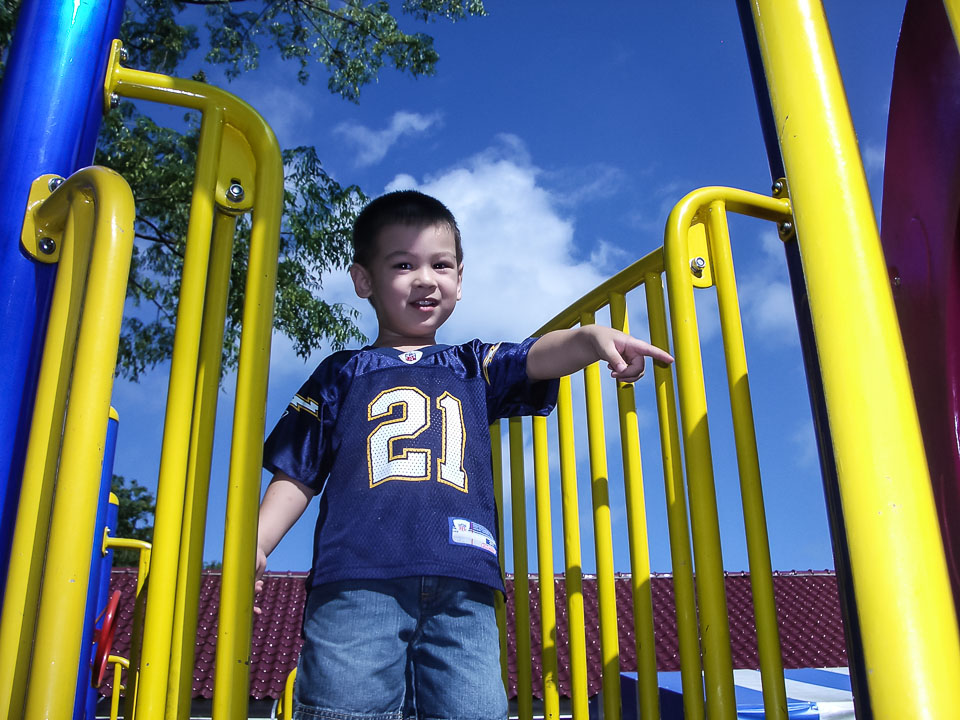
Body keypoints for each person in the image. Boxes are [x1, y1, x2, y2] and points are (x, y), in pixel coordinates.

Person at [256, 190, 673, 720]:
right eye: (403, 265)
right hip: (358, 576)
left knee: (473, 707)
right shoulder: (341, 373)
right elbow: (297, 471)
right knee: (347, 705)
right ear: (364, 280)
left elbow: (535, 356)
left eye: (441, 265)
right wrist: (259, 542)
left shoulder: (472, 364)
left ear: (460, 279)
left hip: (465, 580)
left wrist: (589, 339)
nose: (425, 279)